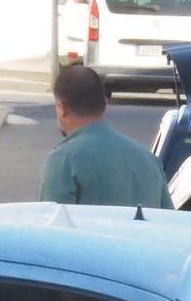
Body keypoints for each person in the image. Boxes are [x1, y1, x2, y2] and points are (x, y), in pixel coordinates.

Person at [40, 65, 173, 208]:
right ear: (105, 103)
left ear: (62, 108)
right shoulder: (149, 160)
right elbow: (169, 222)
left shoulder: (63, 160)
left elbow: (51, 225)